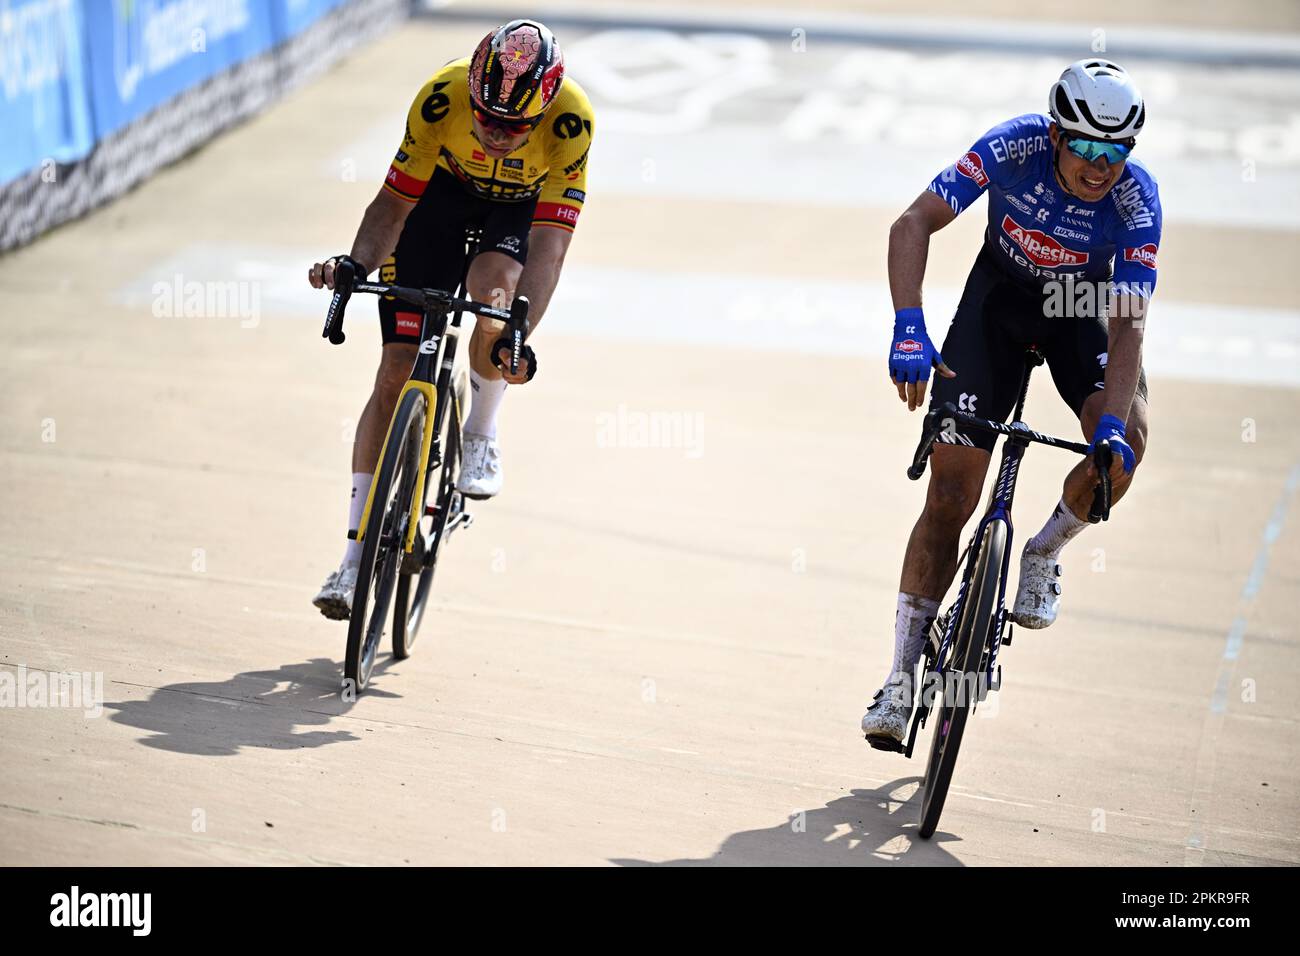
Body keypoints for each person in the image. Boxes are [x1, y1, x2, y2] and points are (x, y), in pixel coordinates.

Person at [863, 60, 1161, 744]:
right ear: (1055, 135)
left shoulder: (1138, 203)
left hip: (1077, 308)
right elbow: (912, 224)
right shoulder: (1013, 146)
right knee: (948, 499)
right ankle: (901, 679)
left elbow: (1128, 324)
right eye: (1084, 146)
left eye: (1114, 151)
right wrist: (909, 325)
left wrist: (1111, 427)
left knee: (1128, 445)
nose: (1098, 166)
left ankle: (1043, 553)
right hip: (996, 302)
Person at [307, 19, 594, 619]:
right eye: (486, 116)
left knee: (493, 297)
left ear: (543, 110)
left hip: (518, 213)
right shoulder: (443, 97)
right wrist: (356, 265)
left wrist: (516, 332)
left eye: (513, 126)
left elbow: (550, 247)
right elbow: (392, 204)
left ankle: (482, 431)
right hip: (438, 197)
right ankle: (352, 563)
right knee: (394, 370)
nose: (494, 133)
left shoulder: (571, 122)